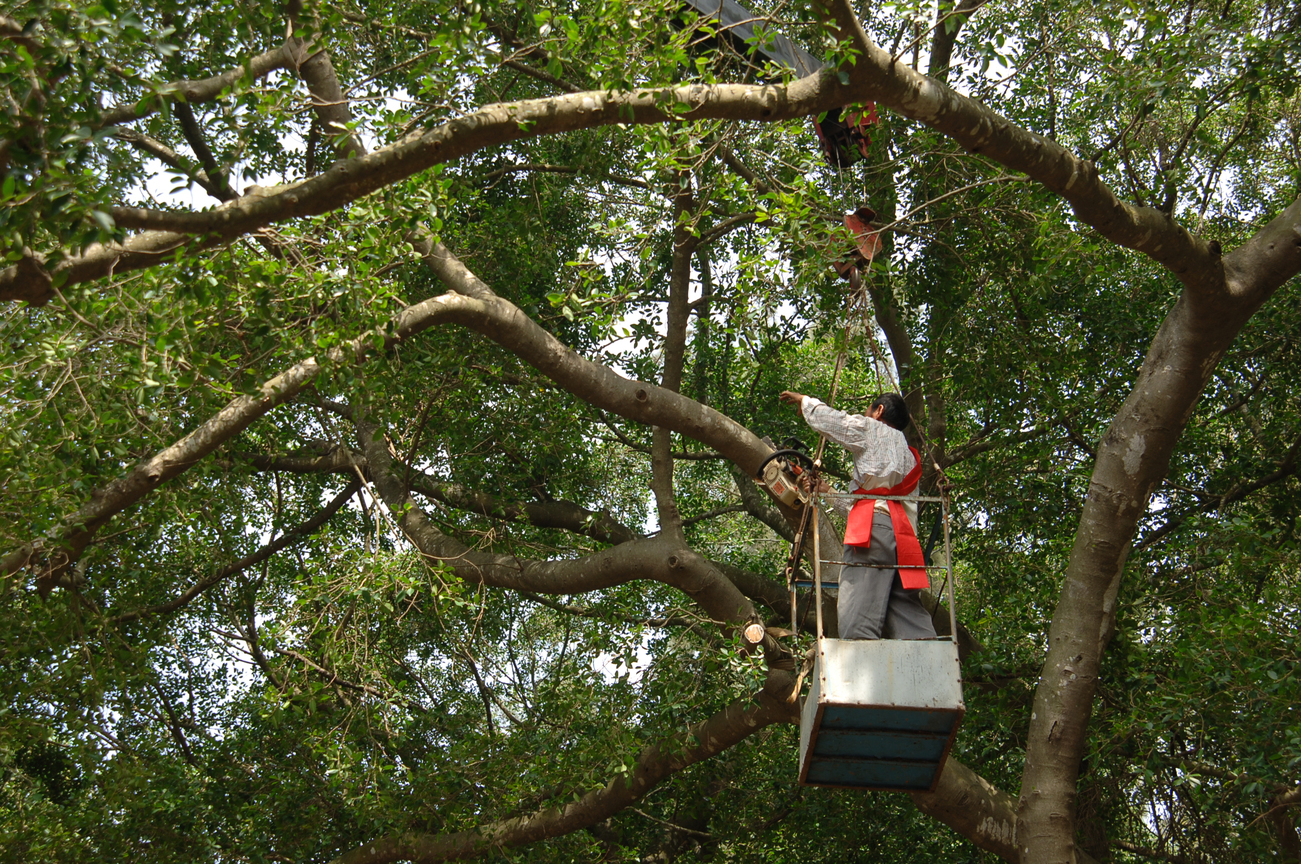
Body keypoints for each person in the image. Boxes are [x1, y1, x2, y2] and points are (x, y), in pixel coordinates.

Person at [777, 390, 936, 640]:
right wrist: (827, 491)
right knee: (904, 611)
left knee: (858, 620)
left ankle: (859, 667)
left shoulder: (873, 429)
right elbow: (877, 507)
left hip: (875, 533)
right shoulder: (908, 454)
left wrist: (807, 402)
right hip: (904, 540)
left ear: (879, 411)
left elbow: (837, 422)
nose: (864, 415)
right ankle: (930, 661)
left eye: (868, 411)